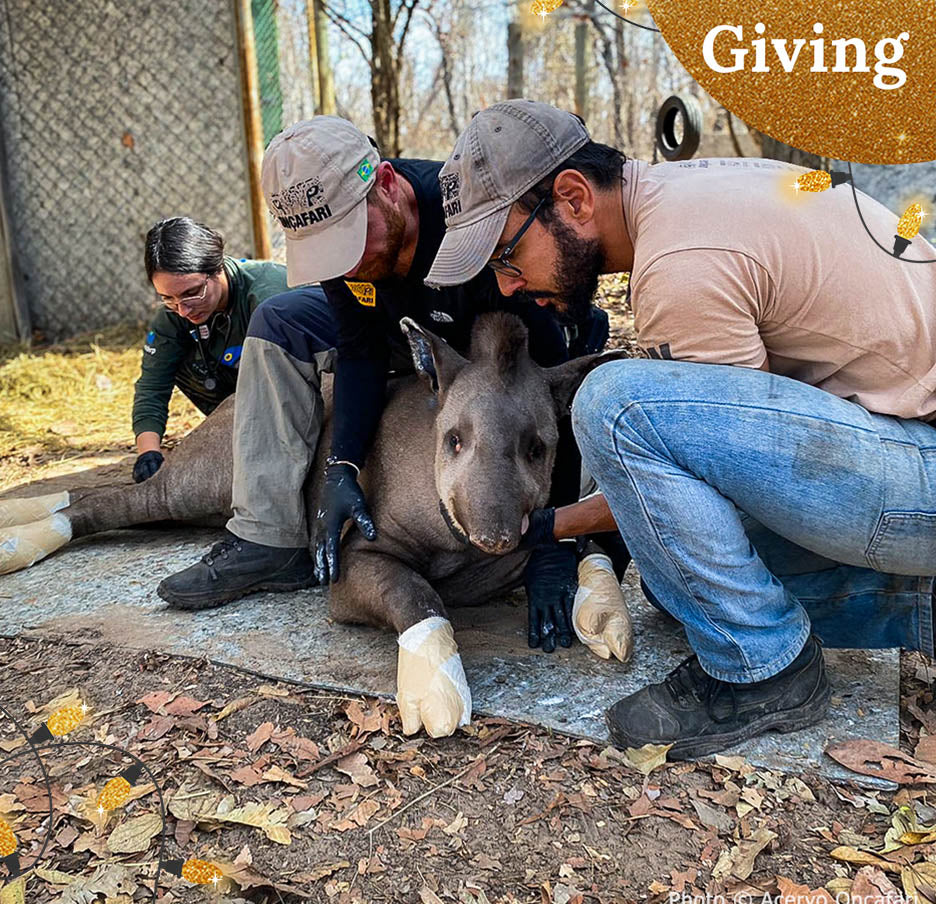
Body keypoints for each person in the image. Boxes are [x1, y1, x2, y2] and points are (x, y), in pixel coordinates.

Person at [424, 98, 936, 758]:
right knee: (680, 587)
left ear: (575, 198)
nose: (509, 285)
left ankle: (765, 670)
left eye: (507, 255)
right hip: (905, 452)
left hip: (919, 471)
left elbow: (716, 483)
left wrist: (547, 527)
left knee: (618, 403)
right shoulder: (690, 195)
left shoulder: (678, 267)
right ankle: (919, 605)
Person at [157, 115, 620, 653]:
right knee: (279, 319)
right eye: (330, 250)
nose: (348, 263)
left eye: (354, 239)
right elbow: (360, 350)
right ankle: (268, 536)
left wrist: (553, 549)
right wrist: (343, 467)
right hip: (410, 333)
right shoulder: (348, 263)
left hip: (492, 348)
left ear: (386, 184)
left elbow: (542, 399)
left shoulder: (464, 214)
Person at [132, 216, 289, 482]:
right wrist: (148, 453)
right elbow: (152, 387)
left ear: (217, 269)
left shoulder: (267, 297)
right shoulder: (175, 316)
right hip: (235, 407)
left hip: (284, 398)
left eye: (192, 292)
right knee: (168, 353)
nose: (183, 309)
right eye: (167, 298)